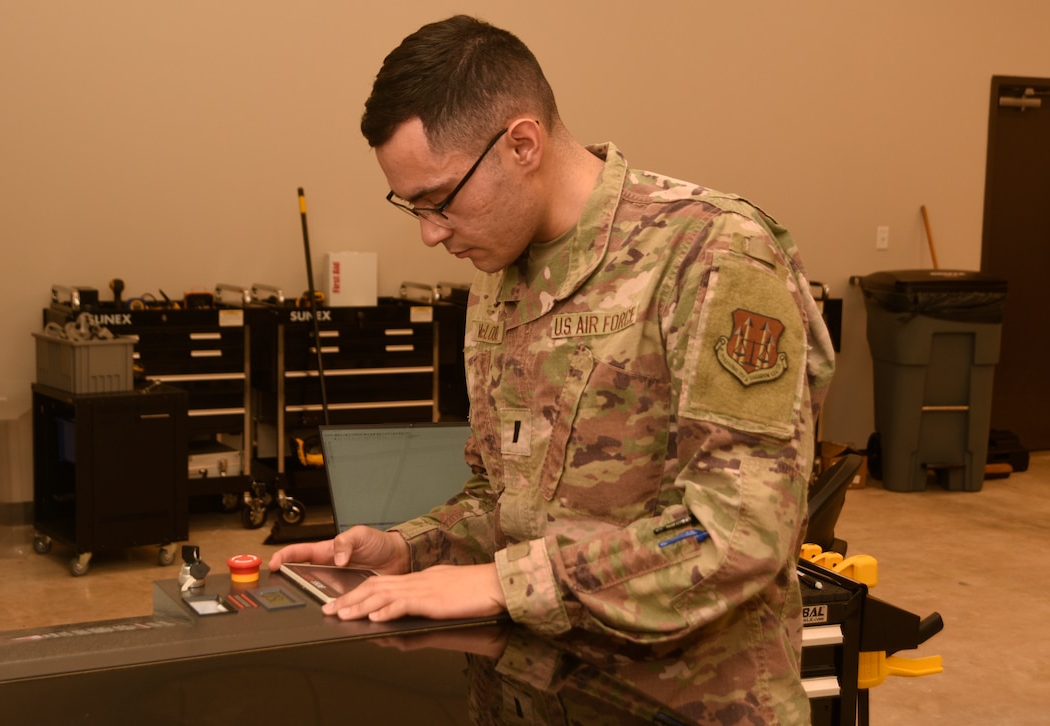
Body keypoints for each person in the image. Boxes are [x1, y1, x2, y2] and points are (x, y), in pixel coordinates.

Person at [270, 14, 834, 723]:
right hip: (527, 692)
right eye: (411, 207)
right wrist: (410, 549)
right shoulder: (498, 277)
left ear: (523, 144)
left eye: (440, 201)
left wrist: (504, 585)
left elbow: (736, 529)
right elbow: (501, 500)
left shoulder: (715, 254)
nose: (430, 232)